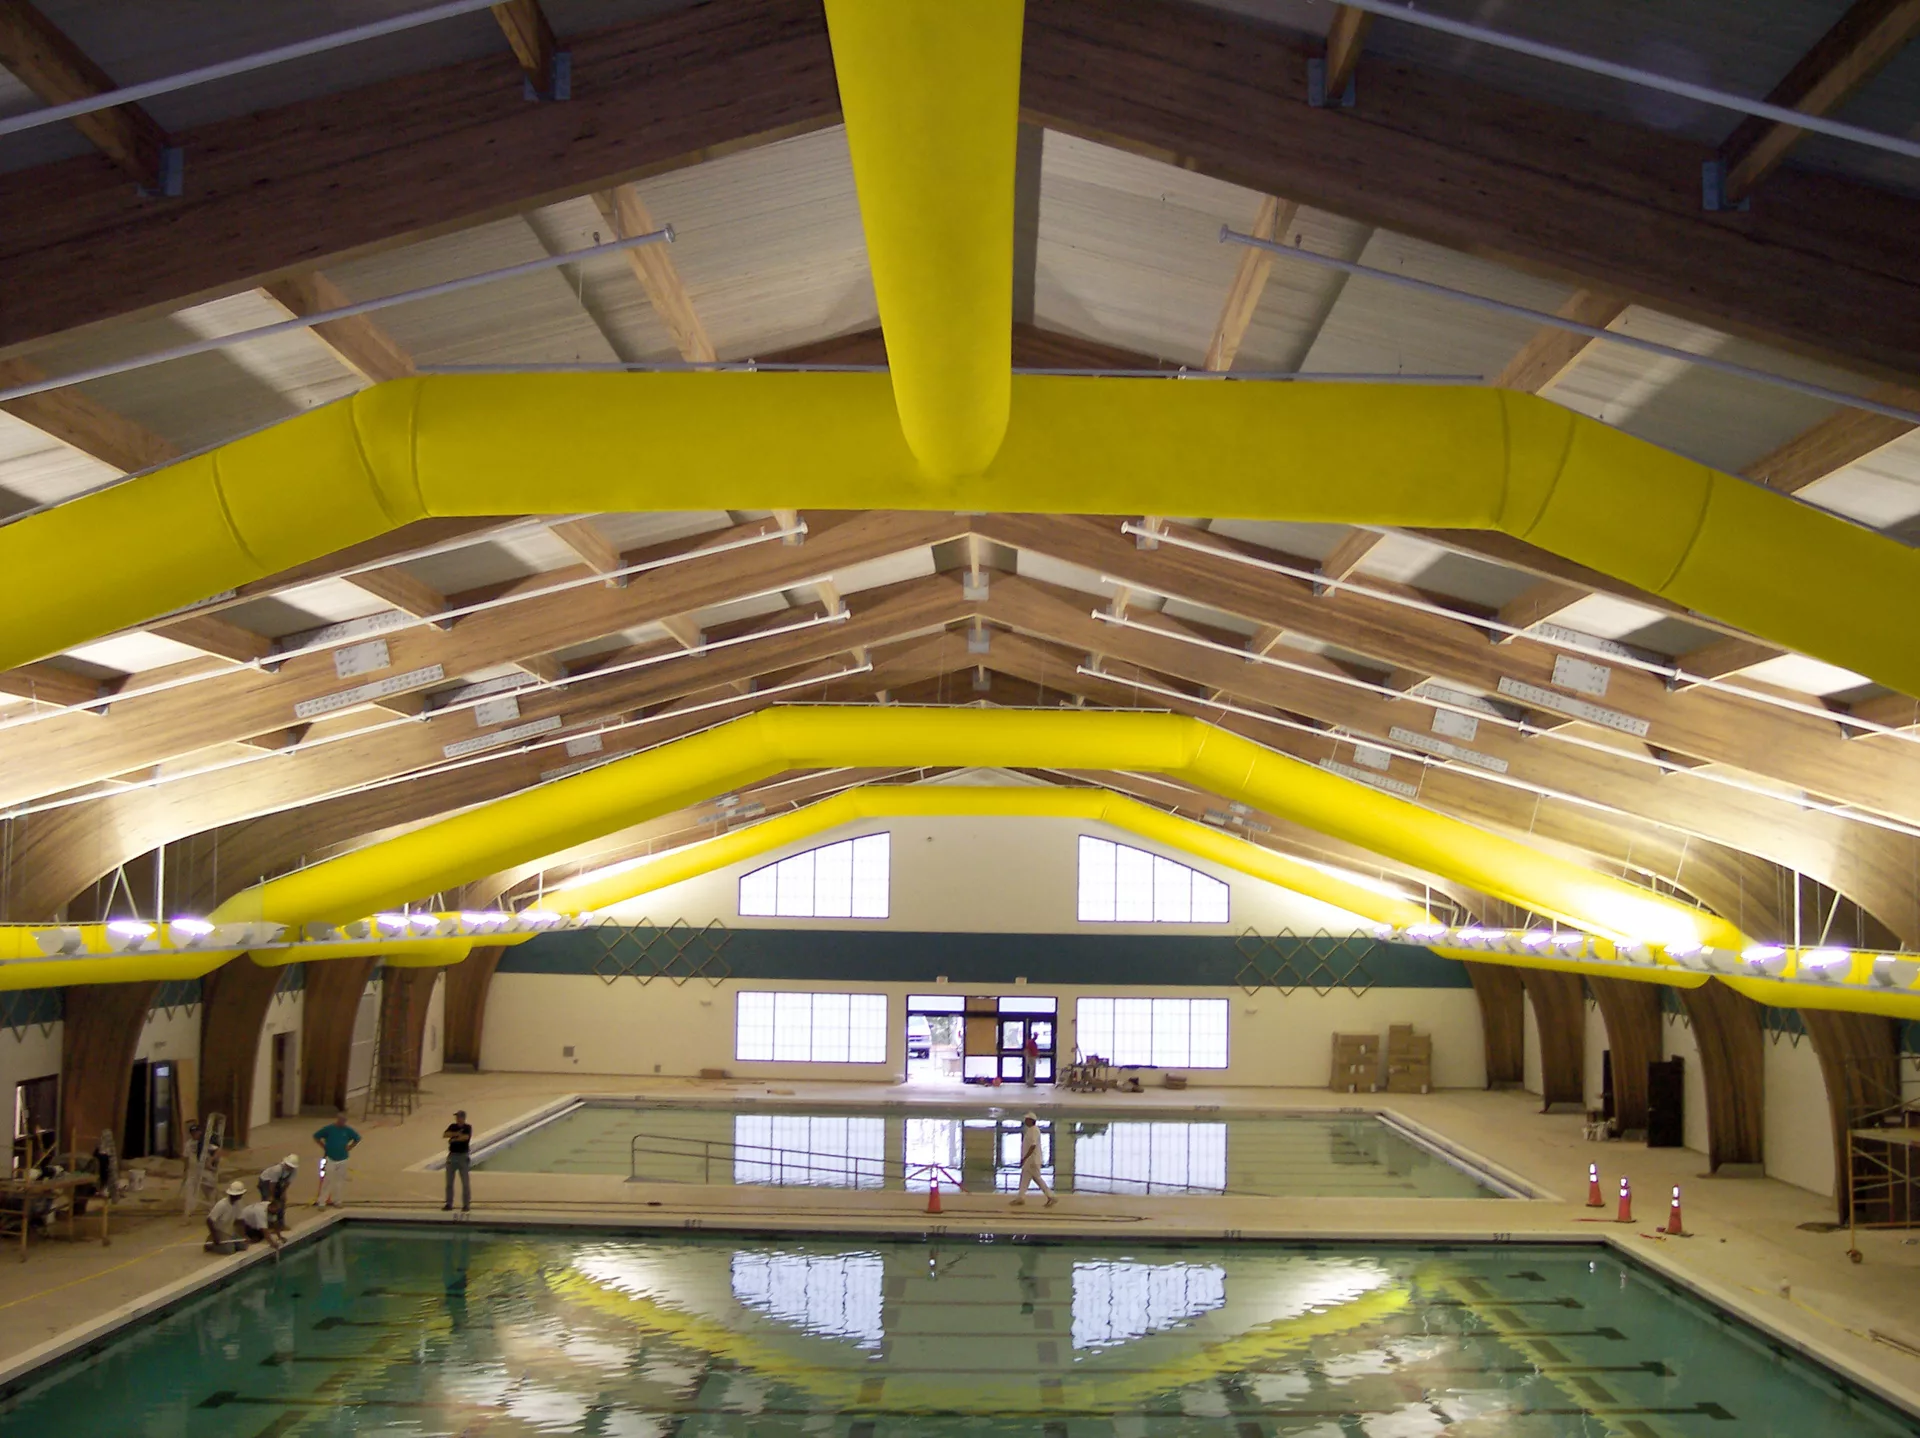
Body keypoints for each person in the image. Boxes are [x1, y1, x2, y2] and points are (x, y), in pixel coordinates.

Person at [312, 1112, 361, 1208]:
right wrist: (324, 1147)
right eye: (341, 1120)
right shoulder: (329, 1129)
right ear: (337, 1119)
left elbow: (357, 1138)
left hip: (343, 1159)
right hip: (330, 1158)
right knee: (327, 1180)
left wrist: (350, 1147)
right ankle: (322, 1202)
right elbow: (316, 1136)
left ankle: (337, 1201)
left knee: (339, 1181)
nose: (343, 1123)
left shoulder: (348, 1130)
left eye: (344, 1121)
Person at [1010, 1112, 1056, 1208]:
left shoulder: (1034, 1130)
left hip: (1032, 1160)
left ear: (1031, 1121)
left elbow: (1033, 1145)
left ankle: (1051, 1196)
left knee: (1036, 1179)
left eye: (1026, 1119)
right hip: (1030, 1160)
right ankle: (1020, 1198)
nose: (1025, 1121)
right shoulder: (1031, 1130)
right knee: (1025, 1179)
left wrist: (1025, 1157)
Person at [258, 1153, 299, 1232]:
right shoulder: (277, 1169)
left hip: (277, 1183)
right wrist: (271, 1196)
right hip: (266, 1181)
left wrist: (283, 1193)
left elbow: (287, 1182)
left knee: (281, 1202)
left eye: (291, 1167)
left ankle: (280, 1224)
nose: (290, 1168)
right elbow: (272, 1184)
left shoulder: (293, 1171)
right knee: (268, 1203)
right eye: (289, 1166)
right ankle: (267, 1225)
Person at [442, 1110, 473, 1213]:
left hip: (462, 1156)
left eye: (459, 1117)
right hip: (452, 1156)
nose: (457, 1119)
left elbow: (465, 1137)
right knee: (449, 1182)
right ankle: (449, 1203)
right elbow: (445, 1134)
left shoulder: (467, 1127)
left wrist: (454, 1139)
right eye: (457, 1117)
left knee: (465, 1182)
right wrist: (456, 1134)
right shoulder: (453, 1126)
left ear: (463, 1118)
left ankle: (466, 1204)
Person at [206, 1180, 249, 1253]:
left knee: (243, 1246)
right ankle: (210, 1245)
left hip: (230, 1231)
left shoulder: (238, 1203)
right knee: (230, 1250)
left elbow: (239, 1221)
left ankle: (228, 1242)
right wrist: (215, 1236)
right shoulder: (222, 1204)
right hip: (220, 1231)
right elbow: (209, 1220)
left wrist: (243, 1235)